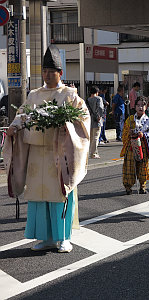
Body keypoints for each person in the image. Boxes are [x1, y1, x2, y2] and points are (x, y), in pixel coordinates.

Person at [4, 45, 90, 253]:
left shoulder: (70, 95)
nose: (47, 75)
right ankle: (45, 238)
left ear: (60, 73)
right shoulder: (34, 95)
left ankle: (64, 237)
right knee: (38, 196)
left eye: (51, 71)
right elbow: (21, 115)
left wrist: (67, 126)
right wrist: (14, 127)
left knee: (59, 194)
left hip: (58, 153)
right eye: (44, 71)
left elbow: (84, 119)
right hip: (36, 154)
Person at [120, 96, 149, 195]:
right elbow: (124, 133)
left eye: (143, 105)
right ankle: (128, 187)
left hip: (143, 146)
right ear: (135, 107)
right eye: (138, 105)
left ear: (146, 106)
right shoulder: (130, 119)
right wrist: (129, 133)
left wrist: (143, 134)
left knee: (143, 167)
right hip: (131, 146)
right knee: (129, 167)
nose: (140, 107)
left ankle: (142, 186)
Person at [87, 86, 104, 159]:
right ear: (97, 92)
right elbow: (100, 108)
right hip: (96, 120)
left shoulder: (87, 100)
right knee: (96, 137)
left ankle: (90, 152)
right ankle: (93, 153)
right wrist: (99, 116)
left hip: (89, 120)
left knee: (90, 137)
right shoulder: (98, 99)